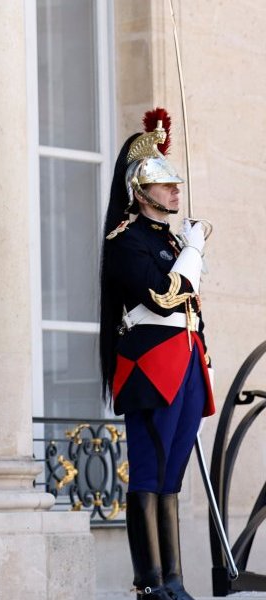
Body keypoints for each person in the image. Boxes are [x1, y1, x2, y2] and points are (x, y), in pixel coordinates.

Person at [100, 109, 214, 600]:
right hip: (151, 367)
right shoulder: (127, 242)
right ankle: (150, 583)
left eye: (174, 184)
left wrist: (204, 358)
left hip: (185, 362)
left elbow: (192, 310)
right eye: (164, 185)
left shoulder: (171, 239)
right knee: (149, 471)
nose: (174, 191)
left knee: (173, 476)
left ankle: (174, 580)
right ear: (140, 191)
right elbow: (162, 296)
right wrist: (193, 253)